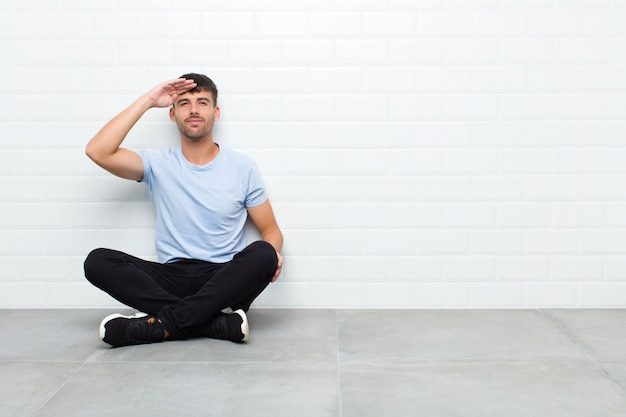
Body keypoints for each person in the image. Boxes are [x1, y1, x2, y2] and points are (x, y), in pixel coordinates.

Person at [83, 73, 284, 348]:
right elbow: (98, 151)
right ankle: (215, 323)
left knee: (263, 252)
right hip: (170, 278)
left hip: (225, 281)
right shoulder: (157, 163)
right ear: (172, 114)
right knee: (97, 261)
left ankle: (162, 324)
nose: (193, 109)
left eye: (202, 102)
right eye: (184, 102)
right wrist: (148, 100)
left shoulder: (242, 167)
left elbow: (271, 231)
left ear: (215, 112)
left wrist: (273, 253)